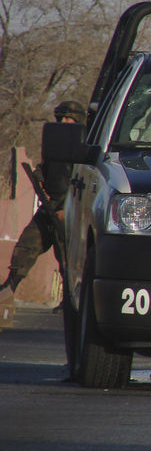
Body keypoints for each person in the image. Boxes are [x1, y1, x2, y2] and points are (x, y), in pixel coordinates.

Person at [0, 101, 85, 314]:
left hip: (70, 209)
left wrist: (68, 210)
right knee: (27, 245)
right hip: (49, 206)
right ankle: (9, 288)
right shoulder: (55, 144)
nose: (64, 123)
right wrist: (38, 177)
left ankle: (69, 301)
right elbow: (46, 169)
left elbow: (81, 181)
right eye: (62, 118)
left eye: (69, 119)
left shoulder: (82, 147)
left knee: (66, 258)